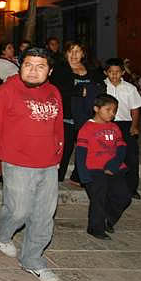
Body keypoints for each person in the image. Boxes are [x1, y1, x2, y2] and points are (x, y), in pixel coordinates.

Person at [0, 47, 63, 281]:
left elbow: (58, 125)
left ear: (50, 70)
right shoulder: (6, 91)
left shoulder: (53, 92)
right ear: (20, 66)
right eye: (28, 65)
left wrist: (58, 154)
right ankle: (0, 230)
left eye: (40, 66)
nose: (33, 71)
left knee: (44, 215)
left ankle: (33, 260)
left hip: (48, 162)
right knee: (18, 210)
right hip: (17, 160)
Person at [75, 93, 131, 240]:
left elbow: (121, 148)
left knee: (124, 196)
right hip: (94, 169)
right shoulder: (86, 128)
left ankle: (108, 219)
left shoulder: (115, 127)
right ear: (96, 109)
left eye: (114, 110)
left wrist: (113, 164)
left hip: (115, 168)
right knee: (98, 199)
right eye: (108, 110)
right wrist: (83, 176)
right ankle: (95, 228)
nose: (112, 114)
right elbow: (80, 154)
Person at [49, 41, 105, 184]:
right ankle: (57, 178)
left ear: (83, 53)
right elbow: (56, 90)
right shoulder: (60, 69)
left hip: (87, 117)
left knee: (86, 148)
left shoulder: (91, 69)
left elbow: (102, 87)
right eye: (70, 51)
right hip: (66, 117)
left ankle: (78, 176)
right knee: (64, 149)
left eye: (78, 51)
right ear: (66, 53)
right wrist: (79, 91)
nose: (74, 55)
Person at [103, 58, 141, 200]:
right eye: (111, 72)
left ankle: (131, 188)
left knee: (131, 156)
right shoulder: (102, 87)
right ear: (106, 72)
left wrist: (134, 126)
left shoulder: (130, 88)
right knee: (107, 155)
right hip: (107, 125)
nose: (114, 75)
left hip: (126, 124)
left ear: (122, 72)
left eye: (117, 72)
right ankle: (107, 186)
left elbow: (135, 109)